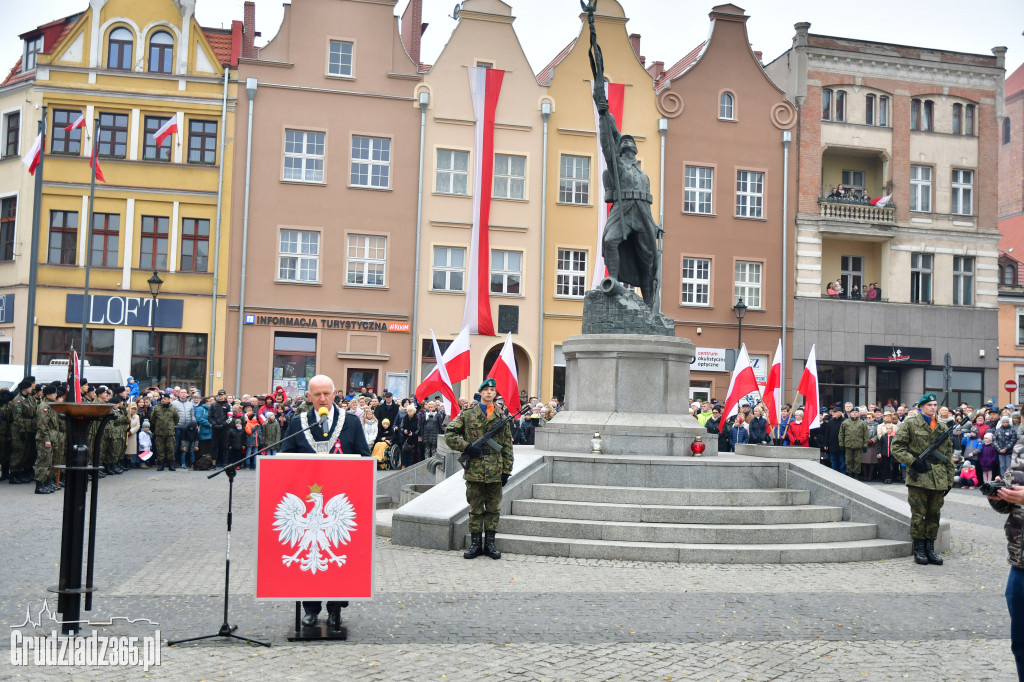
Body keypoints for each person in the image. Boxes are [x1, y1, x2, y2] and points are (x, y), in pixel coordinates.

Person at [279, 374, 370, 630]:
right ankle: (310, 608)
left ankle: (335, 608)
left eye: (326, 394)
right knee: (309, 555)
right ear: (308, 397)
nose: (322, 399)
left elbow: (363, 457)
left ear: (335, 394)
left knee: (340, 553)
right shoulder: (299, 423)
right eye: (316, 394)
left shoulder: (351, 422)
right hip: (308, 503)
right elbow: (285, 458)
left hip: (341, 501)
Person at [445, 378, 514, 561]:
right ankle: (475, 544)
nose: (490, 393)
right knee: (475, 508)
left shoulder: (501, 417)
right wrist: (466, 447)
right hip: (475, 468)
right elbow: (450, 434)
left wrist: (507, 470)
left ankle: (490, 544)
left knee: (493, 509)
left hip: (495, 470)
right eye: (486, 390)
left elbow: (507, 446)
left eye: (493, 390)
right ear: (481, 392)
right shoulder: (467, 414)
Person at [891, 393, 954, 566]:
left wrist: (949, 480)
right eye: (930, 405)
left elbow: (948, 456)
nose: (933, 408)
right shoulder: (911, 424)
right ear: (922, 407)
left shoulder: (942, 428)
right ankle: (919, 549)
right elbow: (896, 447)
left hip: (938, 477)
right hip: (919, 477)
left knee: (934, 514)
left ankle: (930, 548)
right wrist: (913, 462)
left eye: (935, 405)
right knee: (918, 514)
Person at [986, 462, 1024, 680]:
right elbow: (1011, 506)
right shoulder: (1021, 446)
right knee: (1020, 643)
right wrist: (999, 497)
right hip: (1019, 564)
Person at [33, 384, 60, 494]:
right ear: (48, 394)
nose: (56, 395)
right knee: (43, 462)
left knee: (49, 462)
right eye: (54, 393)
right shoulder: (44, 406)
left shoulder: (50, 405)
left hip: (51, 438)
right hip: (44, 439)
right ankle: (39, 485)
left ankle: (46, 483)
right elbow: (42, 425)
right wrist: (46, 439)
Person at [150, 391, 180, 471]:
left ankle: (170, 464)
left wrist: (170, 426)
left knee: (170, 448)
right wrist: (158, 425)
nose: (163, 400)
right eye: (162, 398)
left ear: (169, 400)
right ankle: (161, 464)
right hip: (159, 432)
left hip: (170, 432)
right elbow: (153, 419)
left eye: (165, 398)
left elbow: (176, 419)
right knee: (160, 449)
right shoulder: (157, 408)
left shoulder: (172, 409)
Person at [839, 405, 870, 479]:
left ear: (859, 413)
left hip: (858, 445)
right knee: (848, 460)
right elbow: (841, 434)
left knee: (857, 460)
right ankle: (849, 473)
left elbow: (866, 435)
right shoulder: (845, 422)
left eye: (856, 412)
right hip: (848, 444)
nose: (854, 413)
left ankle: (856, 474)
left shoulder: (862, 423)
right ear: (850, 413)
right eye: (853, 412)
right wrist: (841, 444)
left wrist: (865, 445)